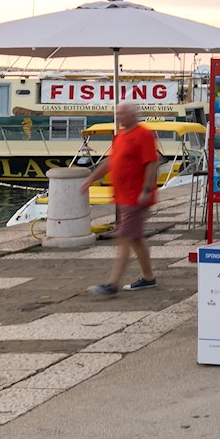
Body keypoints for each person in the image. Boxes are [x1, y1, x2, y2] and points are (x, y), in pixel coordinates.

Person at [83, 102, 159, 295]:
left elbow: (151, 163)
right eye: (117, 113)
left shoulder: (143, 135)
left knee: (124, 237)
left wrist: (147, 189)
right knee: (135, 239)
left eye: (122, 113)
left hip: (136, 197)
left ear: (133, 115)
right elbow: (111, 162)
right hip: (124, 197)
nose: (119, 117)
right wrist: (91, 179)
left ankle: (113, 284)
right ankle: (149, 277)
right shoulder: (120, 136)